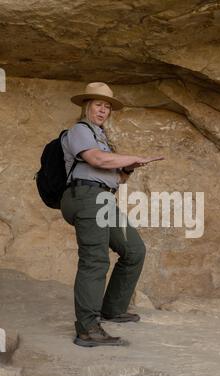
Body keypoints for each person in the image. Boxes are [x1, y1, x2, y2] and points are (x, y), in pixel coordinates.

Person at [60, 82, 164, 347]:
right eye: (98, 104)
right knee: (95, 260)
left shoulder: (101, 136)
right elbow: (98, 160)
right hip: (85, 197)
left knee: (134, 250)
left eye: (107, 106)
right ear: (86, 106)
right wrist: (133, 156)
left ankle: (112, 309)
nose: (103, 110)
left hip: (103, 198)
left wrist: (129, 168)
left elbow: (117, 178)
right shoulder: (79, 130)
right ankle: (87, 329)